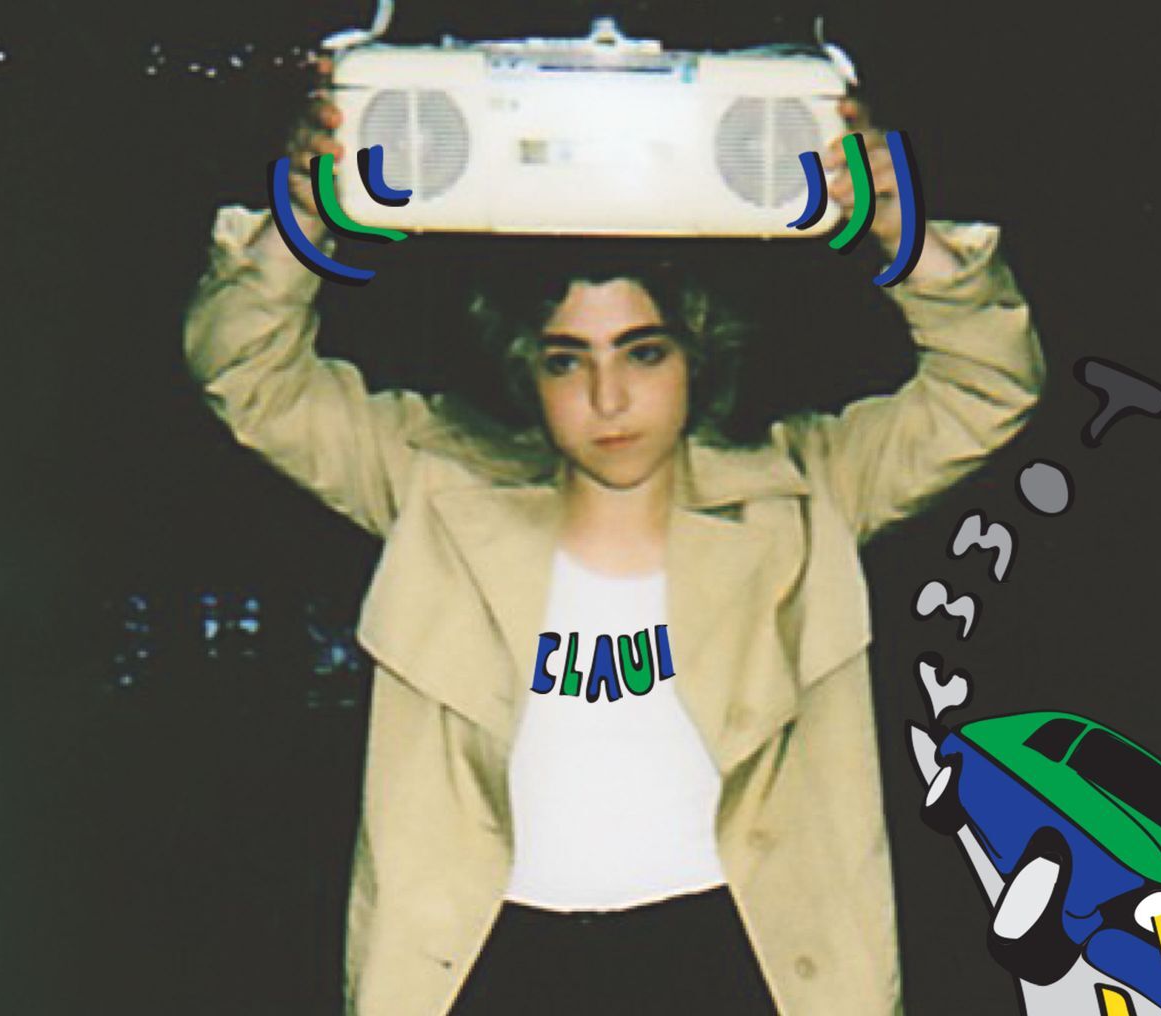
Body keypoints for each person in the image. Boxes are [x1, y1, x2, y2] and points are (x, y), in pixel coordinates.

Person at [183, 67, 1044, 1016]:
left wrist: (897, 230)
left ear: (696, 353)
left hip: (733, 961)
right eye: (568, 361)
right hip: (485, 964)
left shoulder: (806, 492)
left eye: (643, 352)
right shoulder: (434, 484)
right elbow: (249, 372)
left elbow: (989, 387)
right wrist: (305, 219)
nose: (608, 399)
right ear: (528, 369)